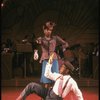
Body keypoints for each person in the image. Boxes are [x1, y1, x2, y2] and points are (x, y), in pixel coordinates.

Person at [16, 52, 83, 100]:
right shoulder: (58, 76)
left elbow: (78, 94)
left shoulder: (71, 82)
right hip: (48, 92)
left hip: (55, 98)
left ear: (67, 70)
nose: (60, 68)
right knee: (31, 86)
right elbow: (47, 74)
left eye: (62, 67)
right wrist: (50, 62)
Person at [34, 21, 69, 88]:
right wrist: (36, 49)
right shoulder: (41, 39)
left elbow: (66, 44)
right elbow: (37, 42)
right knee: (46, 80)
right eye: (47, 29)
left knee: (55, 79)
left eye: (50, 30)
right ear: (44, 30)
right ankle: (46, 96)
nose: (49, 31)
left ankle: (54, 96)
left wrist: (61, 48)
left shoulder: (55, 38)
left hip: (54, 60)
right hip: (46, 60)